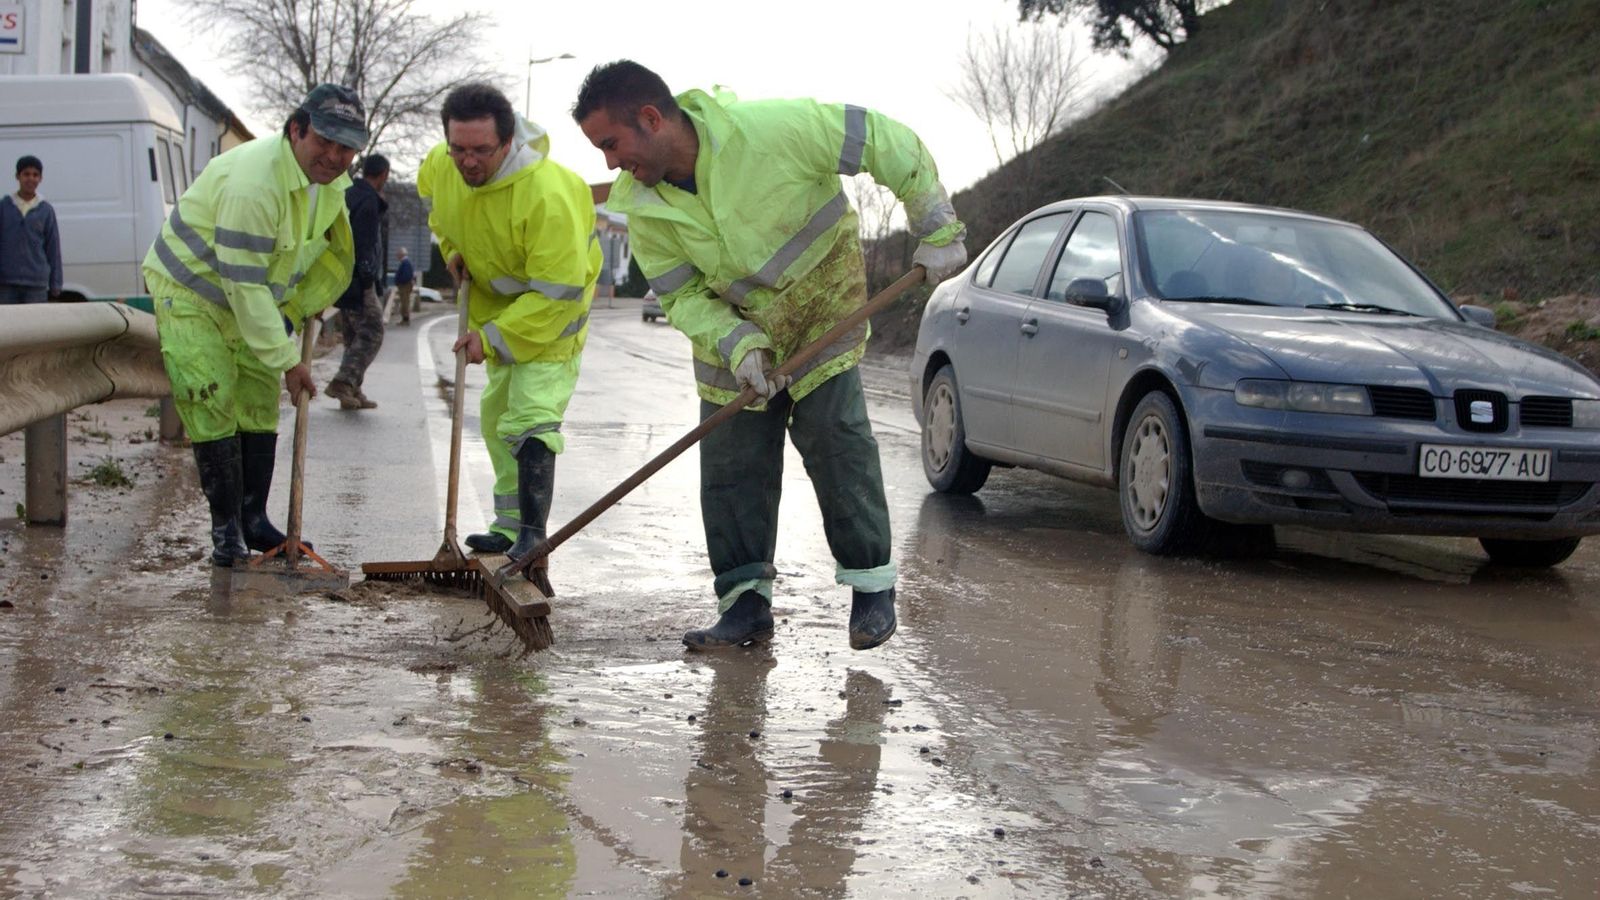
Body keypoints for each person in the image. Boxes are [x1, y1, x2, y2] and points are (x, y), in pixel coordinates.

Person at [573, 60, 968, 652]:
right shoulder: (643, 206)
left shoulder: (773, 130)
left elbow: (880, 137)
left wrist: (934, 223)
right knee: (732, 469)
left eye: (611, 144)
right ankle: (744, 607)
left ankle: (871, 587)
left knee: (837, 442)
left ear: (651, 118)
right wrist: (737, 343)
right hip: (733, 340)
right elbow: (680, 295)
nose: (609, 164)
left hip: (820, 308)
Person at [142, 84, 367, 566]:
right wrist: (288, 361)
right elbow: (242, 283)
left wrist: (303, 305)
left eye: (346, 148)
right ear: (296, 130)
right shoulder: (255, 183)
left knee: (258, 403)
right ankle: (226, 532)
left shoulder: (330, 186)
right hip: (194, 293)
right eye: (324, 141)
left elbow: (319, 253)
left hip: (256, 299)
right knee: (212, 397)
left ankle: (254, 520)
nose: (334, 157)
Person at [417, 82, 600, 579]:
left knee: (531, 417)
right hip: (497, 310)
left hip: (553, 317)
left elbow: (558, 292)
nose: (468, 162)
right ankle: (509, 526)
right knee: (498, 416)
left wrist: (492, 338)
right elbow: (438, 208)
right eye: (459, 149)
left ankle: (533, 540)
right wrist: (451, 249)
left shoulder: (549, 193)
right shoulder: (441, 166)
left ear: (508, 140)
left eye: (481, 150)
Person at [327, 153, 390, 409]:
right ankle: (343, 381)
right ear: (384, 174)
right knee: (373, 330)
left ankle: (352, 390)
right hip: (359, 279)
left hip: (341, 276)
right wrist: (367, 281)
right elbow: (364, 244)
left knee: (353, 334)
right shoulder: (368, 201)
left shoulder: (349, 194)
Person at [0, 155, 63, 304]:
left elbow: (53, 248)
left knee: (36, 320)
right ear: (18, 176)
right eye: (26, 174)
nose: (31, 179)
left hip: (36, 285)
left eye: (35, 175)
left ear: (40, 178)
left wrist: (56, 283)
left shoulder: (46, 210)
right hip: (7, 283)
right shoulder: (4, 206)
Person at [392, 246, 416, 323]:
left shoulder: (405, 263)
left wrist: (399, 281)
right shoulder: (406, 262)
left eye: (398, 254)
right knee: (404, 302)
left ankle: (405, 319)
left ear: (401, 254)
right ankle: (405, 318)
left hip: (404, 286)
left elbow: (406, 275)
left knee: (404, 302)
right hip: (405, 285)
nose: (397, 256)